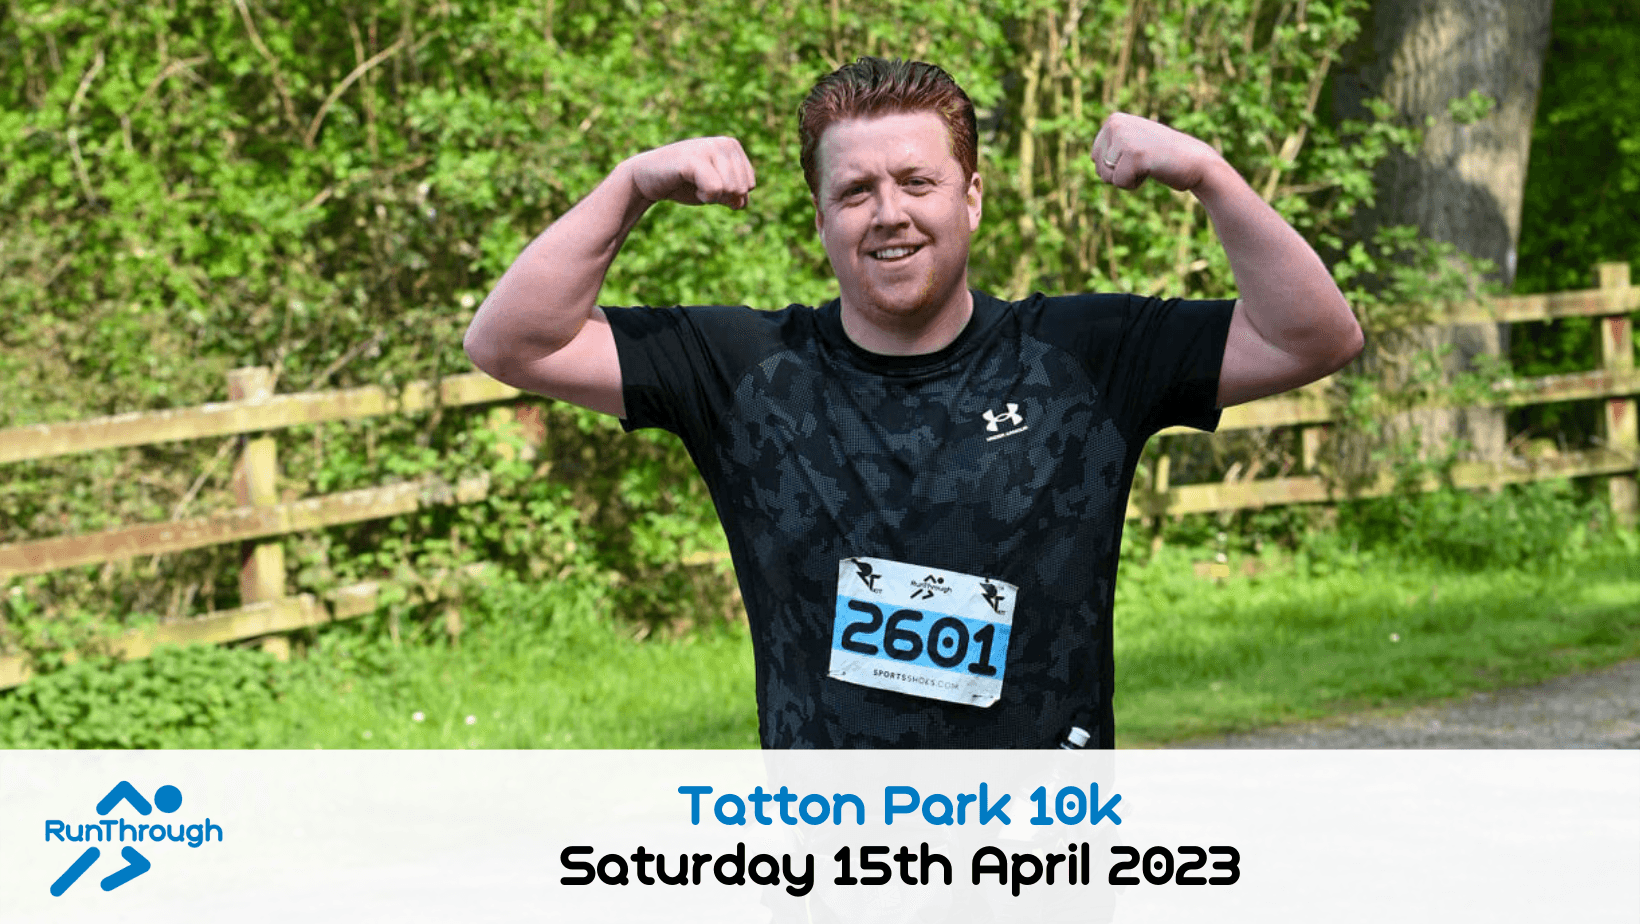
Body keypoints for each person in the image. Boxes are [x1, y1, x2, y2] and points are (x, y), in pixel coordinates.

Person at [463, 57, 1363, 748]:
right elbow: (512, 343)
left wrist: (1209, 175)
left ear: (971, 197)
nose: (888, 212)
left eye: (918, 182)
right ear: (820, 220)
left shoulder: (1083, 354)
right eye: (854, 191)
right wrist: (629, 188)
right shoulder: (742, 367)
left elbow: (1313, 336)